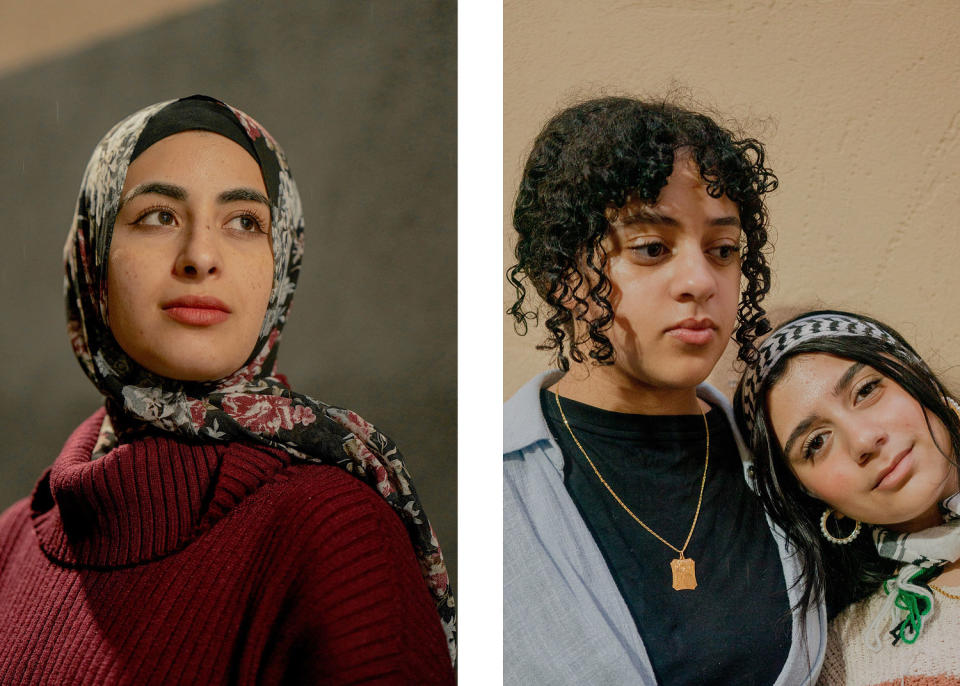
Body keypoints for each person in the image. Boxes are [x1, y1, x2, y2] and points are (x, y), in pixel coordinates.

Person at [0, 95, 455, 685]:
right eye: (158, 216)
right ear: (94, 256)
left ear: (280, 263)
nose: (200, 257)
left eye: (245, 222)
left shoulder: (336, 533)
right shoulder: (12, 542)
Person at [503, 96, 825, 684]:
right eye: (651, 248)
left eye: (722, 251)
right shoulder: (494, 485)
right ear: (560, 275)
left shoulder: (789, 460)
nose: (701, 281)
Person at [735, 310, 960, 685]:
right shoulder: (852, 654)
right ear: (810, 495)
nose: (863, 440)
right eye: (816, 443)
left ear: (917, 374)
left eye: (866, 390)